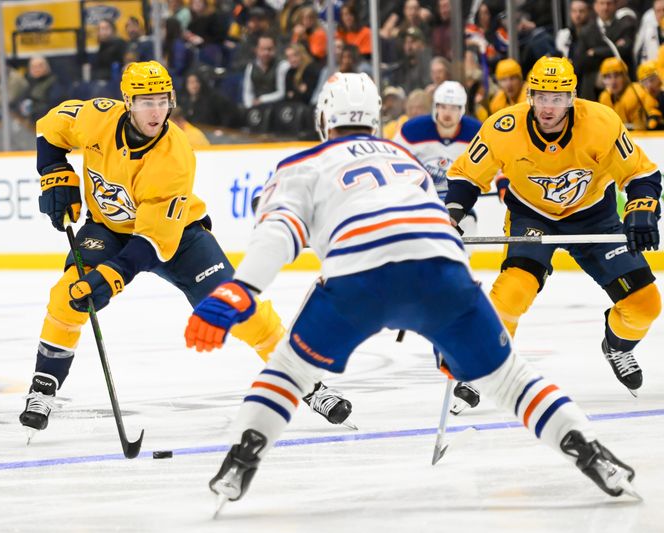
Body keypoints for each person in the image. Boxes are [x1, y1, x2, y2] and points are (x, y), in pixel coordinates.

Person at [183, 73, 638, 511]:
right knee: (510, 378)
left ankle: (244, 454)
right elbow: (440, 228)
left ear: (324, 119)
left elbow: (279, 233)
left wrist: (240, 290)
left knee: (288, 370)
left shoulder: (301, 164)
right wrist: (452, 324)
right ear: (376, 119)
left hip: (359, 276)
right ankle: (587, 446)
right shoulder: (405, 161)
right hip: (442, 275)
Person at [19, 61, 353, 439]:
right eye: (146, 101)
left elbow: (151, 243)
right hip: (107, 228)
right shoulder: (96, 117)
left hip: (178, 238)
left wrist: (111, 278)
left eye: (162, 100)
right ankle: (43, 388)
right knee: (69, 293)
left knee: (239, 308)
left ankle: (307, 383)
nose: (157, 111)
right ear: (127, 102)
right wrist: (54, 173)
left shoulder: (175, 154)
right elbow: (50, 126)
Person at [446, 56, 661, 396]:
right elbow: (465, 176)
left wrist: (642, 208)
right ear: (530, 96)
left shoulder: (601, 122)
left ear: (572, 98)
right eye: (542, 96)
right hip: (533, 217)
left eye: (558, 97)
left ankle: (617, 346)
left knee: (644, 305)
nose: (549, 107)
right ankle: (484, 365)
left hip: (594, 217)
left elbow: (641, 173)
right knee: (511, 294)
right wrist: (451, 217)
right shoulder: (504, 127)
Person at [392, 80, 484, 414]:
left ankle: (457, 356)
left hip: (461, 213)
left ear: (462, 111)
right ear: (435, 109)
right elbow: (391, 164)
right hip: (422, 210)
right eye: (443, 107)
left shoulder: (477, 132)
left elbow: (499, 165)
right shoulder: (414, 131)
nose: (447, 114)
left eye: (454, 108)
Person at [597, 57, 663, 131]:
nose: (613, 82)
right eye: (608, 77)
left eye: (617, 76)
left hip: (643, 137)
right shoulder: (604, 97)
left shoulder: (638, 91)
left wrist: (653, 117)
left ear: (625, 77)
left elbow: (652, 109)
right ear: (603, 80)